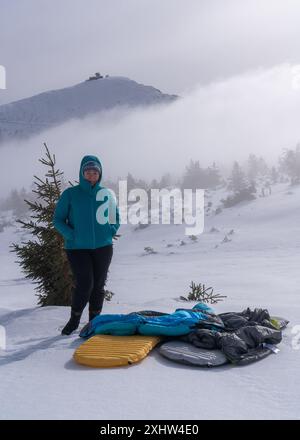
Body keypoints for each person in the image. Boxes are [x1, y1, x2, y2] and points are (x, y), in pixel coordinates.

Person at [53, 155, 120, 335]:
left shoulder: (106, 194)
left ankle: (94, 323)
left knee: (98, 286)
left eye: (95, 172)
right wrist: (71, 234)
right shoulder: (71, 194)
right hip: (77, 248)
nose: (91, 175)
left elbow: (115, 217)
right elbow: (58, 220)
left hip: (103, 247)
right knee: (85, 284)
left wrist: (110, 230)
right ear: (83, 173)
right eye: (88, 171)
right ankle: (74, 321)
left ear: (99, 174)